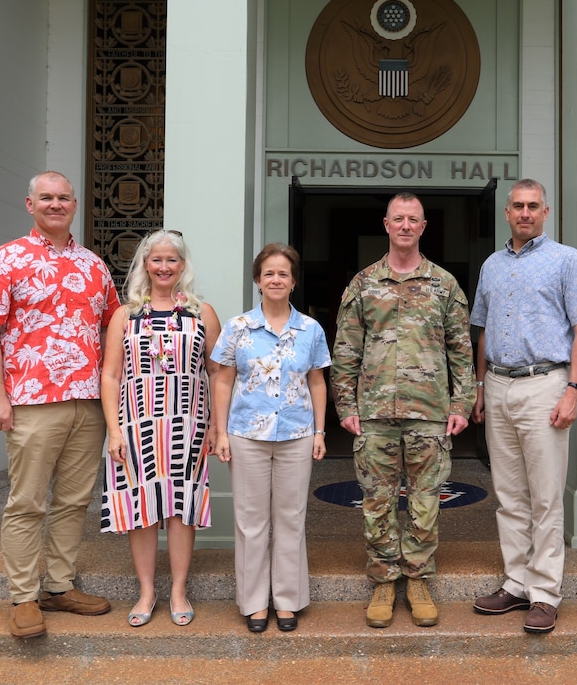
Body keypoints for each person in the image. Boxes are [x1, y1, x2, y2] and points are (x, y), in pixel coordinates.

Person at [0, 171, 120, 639]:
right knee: (28, 501)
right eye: (46, 198)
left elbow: (116, 329)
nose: (56, 205)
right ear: (30, 204)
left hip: (88, 402)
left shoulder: (95, 265)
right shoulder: (6, 258)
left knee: (74, 501)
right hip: (32, 401)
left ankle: (58, 585)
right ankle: (23, 596)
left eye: (64, 198)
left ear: (75, 205)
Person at [331, 192, 475, 629]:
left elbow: (461, 351)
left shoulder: (445, 285)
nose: (406, 226)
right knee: (376, 500)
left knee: (426, 500)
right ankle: (382, 579)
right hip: (374, 411)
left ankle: (417, 578)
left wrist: (461, 403)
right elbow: (346, 350)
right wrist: (345, 404)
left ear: (424, 226)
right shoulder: (363, 283)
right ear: (387, 224)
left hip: (430, 410)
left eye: (414, 219)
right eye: (399, 219)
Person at [469, 179, 577, 635]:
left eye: (533, 206)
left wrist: (574, 390)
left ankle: (544, 593)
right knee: (509, 495)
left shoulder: (566, 260)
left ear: (546, 211)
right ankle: (516, 582)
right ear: (507, 212)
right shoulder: (491, 265)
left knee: (545, 496)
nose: (525, 213)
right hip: (500, 385)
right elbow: (482, 331)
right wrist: (480, 387)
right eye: (517, 206)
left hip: (546, 384)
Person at [99, 230, 221, 628]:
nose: (164, 267)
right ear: (145, 265)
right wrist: (114, 431)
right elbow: (111, 375)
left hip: (189, 423)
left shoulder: (203, 312)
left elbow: (218, 373)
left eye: (172, 260)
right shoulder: (125, 314)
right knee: (142, 508)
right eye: (156, 260)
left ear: (182, 265)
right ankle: (147, 590)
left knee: (181, 509)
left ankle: (179, 590)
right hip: (136, 425)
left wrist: (217, 428)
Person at [210, 243, 331, 633]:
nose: (276, 279)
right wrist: (222, 431)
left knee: (291, 518)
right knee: (250, 521)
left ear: (293, 281)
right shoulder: (238, 327)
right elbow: (223, 379)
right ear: (258, 280)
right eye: (269, 273)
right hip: (246, 435)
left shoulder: (310, 329)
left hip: (296, 433)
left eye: (283, 273)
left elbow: (317, 380)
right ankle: (254, 602)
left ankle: (288, 601)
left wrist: (319, 431)